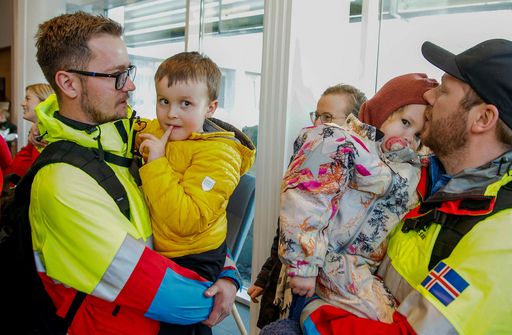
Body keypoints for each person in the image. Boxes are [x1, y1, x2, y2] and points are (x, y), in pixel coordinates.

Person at [298, 39, 512, 334]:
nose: (429, 95)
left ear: (483, 118)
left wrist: (314, 314)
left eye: (444, 89)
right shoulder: (450, 193)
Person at [29, 12, 239, 335]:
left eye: (128, 71)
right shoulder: (61, 183)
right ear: (68, 83)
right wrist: (217, 293)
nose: (130, 85)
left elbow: (195, 214)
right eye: (116, 75)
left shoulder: (130, 135)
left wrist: (226, 271)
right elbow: (168, 296)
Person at [276, 73, 437, 325]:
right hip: (322, 261)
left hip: (359, 269)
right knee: (377, 321)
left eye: (418, 135)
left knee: (390, 320)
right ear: (383, 111)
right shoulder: (338, 141)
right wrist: (303, 264)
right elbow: (306, 197)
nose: (408, 137)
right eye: (405, 122)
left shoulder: (410, 169)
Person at [136, 51, 256, 335]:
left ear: (210, 108)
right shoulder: (161, 128)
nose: (170, 113)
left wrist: (156, 164)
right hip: (164, 249)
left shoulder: (219, 155)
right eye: (163, 101)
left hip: (193, 257)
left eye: (185, 103)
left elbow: (186, 220)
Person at [248, 83, 367, 329]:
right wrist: (265, 277)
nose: (318, 125)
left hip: (325, 288)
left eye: (328, 118)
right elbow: (285, 231)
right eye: (317, 116)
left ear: (354, 123)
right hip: (291, 280)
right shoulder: (310, 160)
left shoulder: (358, 182)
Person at [3, 83, 54, 179]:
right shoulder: (36, 135)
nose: (22, 103)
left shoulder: (47, 136)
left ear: (44, 102)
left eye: (28, 99)